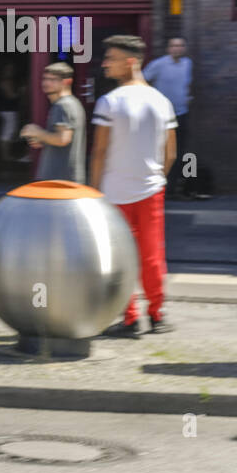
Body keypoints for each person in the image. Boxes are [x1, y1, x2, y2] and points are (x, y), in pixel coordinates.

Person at [89, 35, 178, 337]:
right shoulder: (162, 101)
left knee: (120, 255)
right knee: (153, 254)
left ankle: (128, 319)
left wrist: (94, 190)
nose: (104, 64)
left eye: (110, 58)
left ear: (130, 62)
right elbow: (171, 153)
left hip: (114, 192)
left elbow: (99, 152)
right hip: (152, 190)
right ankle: (157, 315)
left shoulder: (109, 102)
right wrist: (156, 178)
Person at [142, 36, 194, 198]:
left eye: (180, 45)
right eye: (174, 45)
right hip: (162, 117)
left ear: (184, 48)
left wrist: (188, 97)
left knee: (178, 152)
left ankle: (172, 190)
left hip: (181, 114)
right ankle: (158, 187)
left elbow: (187, 84)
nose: (177, 48)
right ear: (168, 48)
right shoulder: (158, 65)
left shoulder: (187, 64)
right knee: (161, 152)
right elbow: (142, 81)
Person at [21, 62, 87, 183]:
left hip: (59, 179)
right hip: (62, 178)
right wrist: (43, 140)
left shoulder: (63, 105)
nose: (46, 83)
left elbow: (62, 139)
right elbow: (62, 139)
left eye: (53, 80)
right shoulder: (70, 103)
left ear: (67, 82)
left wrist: (37, 132)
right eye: (45, 79)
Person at [0, 63, 27, 165]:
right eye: (9, 69)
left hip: (8, 110)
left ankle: (6, 155)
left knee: (9, 132)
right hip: (8, 110)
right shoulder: (6, 81)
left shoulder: (7, 81)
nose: (11, 71)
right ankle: (5, 156)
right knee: (8, 132)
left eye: (12, 69)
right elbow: (11, 96)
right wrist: (21, 91)